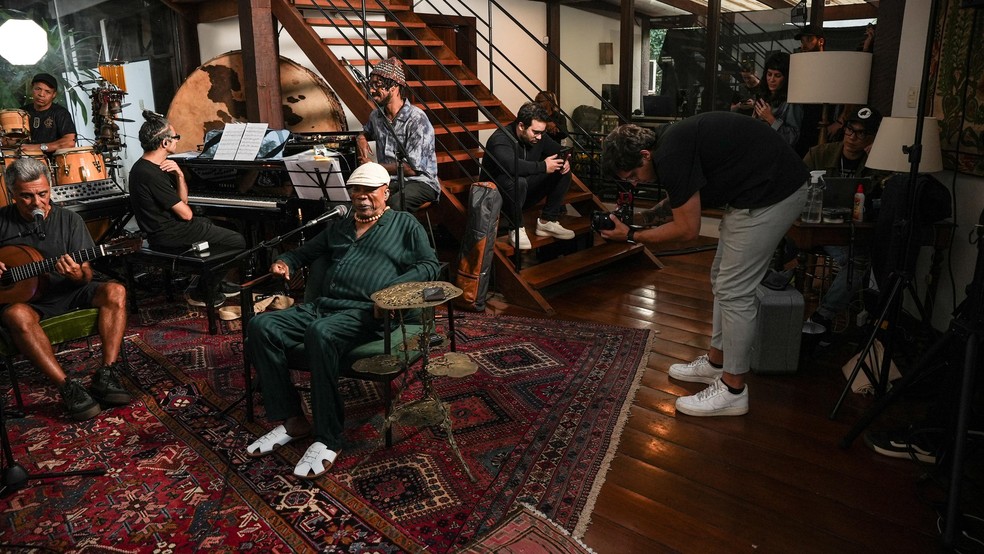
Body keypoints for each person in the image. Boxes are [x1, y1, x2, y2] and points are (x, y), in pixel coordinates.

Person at [601, 113, 808, 417]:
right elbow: (683, 198)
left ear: (645, 155)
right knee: (721, 279)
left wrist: (631, 235)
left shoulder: (670, 154)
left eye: (633, 174)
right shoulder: (668, 142)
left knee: (734, 290)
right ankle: (716, 362)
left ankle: (733, 390)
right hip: (756, 192)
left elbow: (687, 230)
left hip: (773, 194)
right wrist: (644, 219)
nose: (635, 182)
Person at [244, 162, 440, 479]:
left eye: (369, 190)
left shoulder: (405, 224)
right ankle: (293, 420)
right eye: (356, 190)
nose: (362, 197)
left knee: (321, 333)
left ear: (385, 192)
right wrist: (285, 261)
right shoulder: (340, 226)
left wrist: (391, 294)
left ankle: (327, 437)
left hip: (369, 313)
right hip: (324, 307)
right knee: (261, 326)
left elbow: (430, 266)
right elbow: (304, 252)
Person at [0, 157, 129, 420]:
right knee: (15, 315)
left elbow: (86, 277)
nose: (37, 202)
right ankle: (67, 386)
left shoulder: (69, 220)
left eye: (43, 194)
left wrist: (77, 273)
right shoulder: (1, 221)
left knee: (115, 290)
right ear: (11, 193)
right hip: (29, 303)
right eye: (26, 196)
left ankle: (107, 373)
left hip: (69, 291)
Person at [128, 111, 245, 306]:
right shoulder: (150, 174)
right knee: (237, 240)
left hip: (168, 227)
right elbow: (187, 213)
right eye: (175, 137)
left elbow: (182, 202)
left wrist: (180, 176)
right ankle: (201, 291)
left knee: (230, 228)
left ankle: (215, 283)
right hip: (168, 234)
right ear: (164, 143)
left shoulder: (146, 167)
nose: (177, 141)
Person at [802, 106, 884, 340]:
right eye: (849, 130)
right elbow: (795, 183)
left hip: (849, 232)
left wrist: (875, 160)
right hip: (816, 226)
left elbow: (885, 196)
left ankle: (821, 318)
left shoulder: (877, 162)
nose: (852, 138)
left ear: (871, 138)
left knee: (858, 261)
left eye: (861, 134)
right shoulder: (820, 153)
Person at [480, 101, 574, 250]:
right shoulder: (500, 138)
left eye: (542, 132)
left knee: (562, 170)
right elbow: (511, 166)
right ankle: (516, 228)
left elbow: (561, 149)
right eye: (535, 132)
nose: (539, 137)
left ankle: (547, 221)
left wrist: (565, 160)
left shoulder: (538, 137)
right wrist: (543, 166)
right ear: (521, 126)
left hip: (522, 193)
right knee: (518, 181)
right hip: (497, 196)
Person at [355, 57, 440, 213]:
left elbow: (412, 169)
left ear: (394, 87)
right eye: (371, 85)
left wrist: (373, 167)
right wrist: (361, 138)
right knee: (360, 199)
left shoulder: (416, 119)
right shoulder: (376, 116)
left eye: (377, 86)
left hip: (420, 182)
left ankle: (394, 237)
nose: (372, 90)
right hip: (388, 181)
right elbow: (366, 131)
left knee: (393, 204)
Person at [2, 73, 77, 152]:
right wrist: (7, 140)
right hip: (23, 160)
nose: (41, 94)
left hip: (52, 162)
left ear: (54, 94)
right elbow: (12, 141)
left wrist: (38, 147)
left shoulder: (61, 113)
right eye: (38, 89)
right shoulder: (22, 112)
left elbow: (69, 142)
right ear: (31, 88)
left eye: (47, 92)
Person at [752, 52, 803, 148]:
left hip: (778, 152)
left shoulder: (792, 102)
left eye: (777, 75)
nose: (771, 79)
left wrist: (770, 119)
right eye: (769, 74)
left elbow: (793, 138)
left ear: (786, 77)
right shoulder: (762, 96)